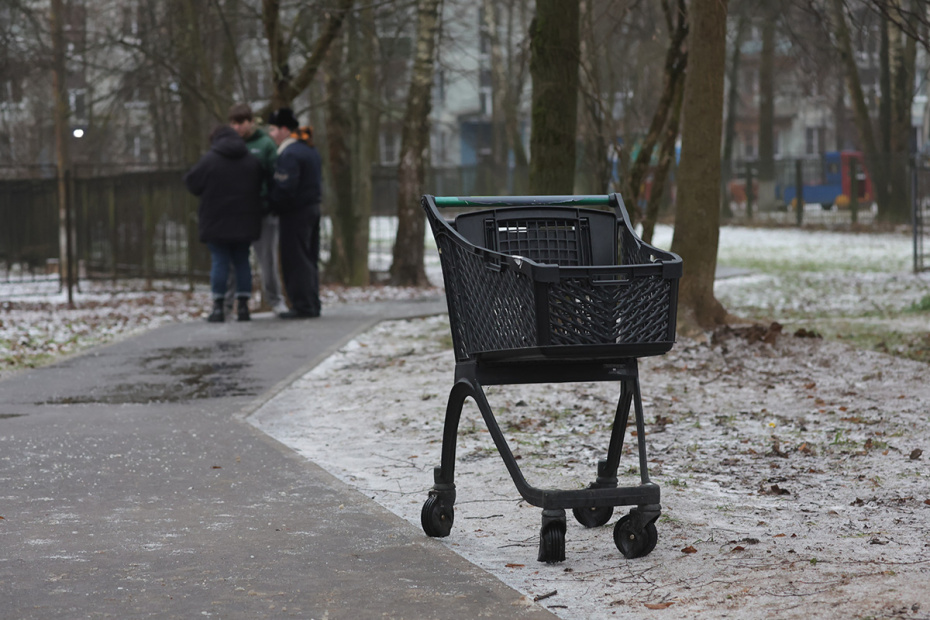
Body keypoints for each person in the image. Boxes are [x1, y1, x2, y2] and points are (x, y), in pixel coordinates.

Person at [183, 125, 263, 322]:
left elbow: (192, 183)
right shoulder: (251, 161)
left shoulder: (210, 161)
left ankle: (218, 307)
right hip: (245, 220)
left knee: (220, 262)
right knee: (242, 261)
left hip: (216, 221)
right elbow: (262, 183)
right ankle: (243, 306)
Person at [225, 103, 288, 316]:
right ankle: (230, 302)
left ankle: (275, 300)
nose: (238, 127)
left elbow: (276, 176)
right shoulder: (228, 145)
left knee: (267, 260)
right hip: (237, 212)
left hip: (262, 211)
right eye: (234, 123)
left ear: (251, 122)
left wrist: (271, 203)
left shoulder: (265, 145)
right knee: (234, 261)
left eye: (241, 122)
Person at [267, 107, 322, 319]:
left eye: (273, 129)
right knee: (309, 258)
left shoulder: (289, 153)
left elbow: (285, 188)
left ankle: (303, 306)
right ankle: (311, 303)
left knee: (295, 260)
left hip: (295, 213)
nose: (271, 135)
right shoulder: (309, 149)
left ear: (283, 129)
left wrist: (272, 203)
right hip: (312, 209)